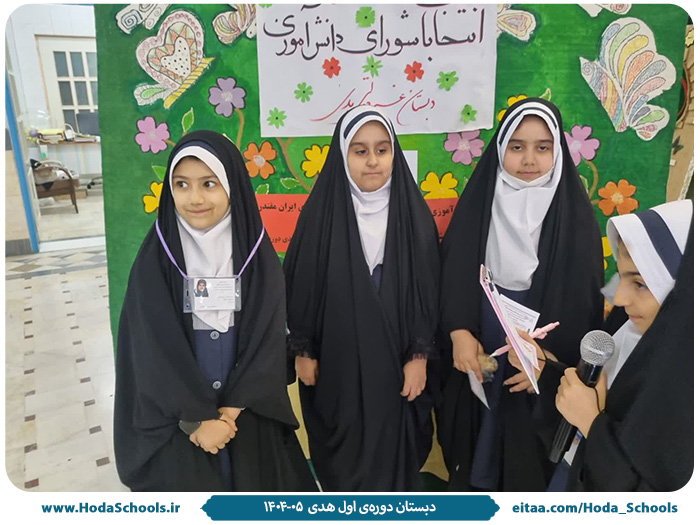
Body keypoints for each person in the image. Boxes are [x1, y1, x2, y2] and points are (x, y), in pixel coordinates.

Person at [114, 131, 316, 492]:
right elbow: (151, 351)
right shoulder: (154, 262)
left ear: (231, 186)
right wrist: (197, 420)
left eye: (209, 184)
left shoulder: (256, 257)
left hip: (247, 416)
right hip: (182, 426)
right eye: (182, 184)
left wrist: (232, 410)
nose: (195, 198)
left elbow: (267, 341)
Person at [437, 98, 604, 491]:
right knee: (476, 433)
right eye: (517, 146)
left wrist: (548, 366)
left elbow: (582, 303)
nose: (529, 159)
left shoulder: (575, 218)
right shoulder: (480, 203)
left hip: (542, 351)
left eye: (542, 147)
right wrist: (460, 331)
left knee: (525, 451)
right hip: (483, 336)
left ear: (557, 151)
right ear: (501, 149)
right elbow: (454, 272)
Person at [283, 107, 441, 491]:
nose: (372, 161)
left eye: (382, 150)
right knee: (343, 467)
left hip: (397, 365)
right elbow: (301, 288)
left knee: (394, 464)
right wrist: (303, 350)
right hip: (337, 369)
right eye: (360, 151)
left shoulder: (415, 217)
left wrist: (419, 356)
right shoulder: (319, 217)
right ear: (342, 155)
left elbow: (428, 293)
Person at [543, 199, 693, 491]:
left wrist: (592, 423)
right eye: (621, 276)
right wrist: (544, 371)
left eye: (640, 284)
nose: (620, 299)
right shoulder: (628, 328)